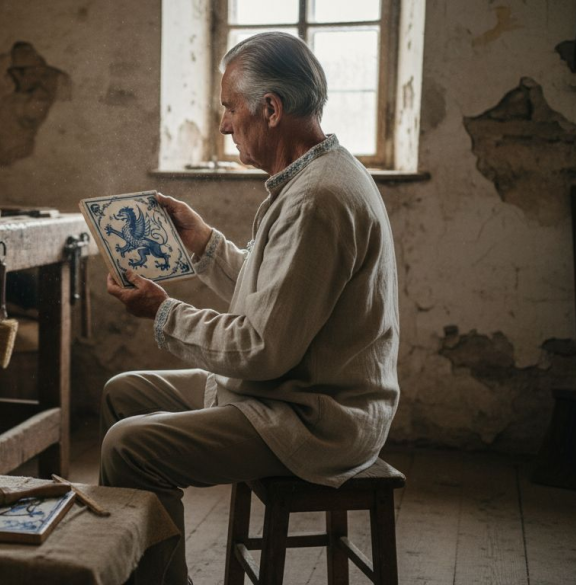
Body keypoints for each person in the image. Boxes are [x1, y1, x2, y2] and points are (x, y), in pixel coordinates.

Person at [102, 32, 400, 585]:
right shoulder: (311, 178)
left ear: (270, 109)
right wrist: (205, 243)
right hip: (287, 391)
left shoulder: (318, 199)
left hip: (316, 416)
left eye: (228, 108)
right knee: (123, 394)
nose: (222, 125)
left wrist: (163, 312)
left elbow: (262, 347)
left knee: (129, 446)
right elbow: (281, 300)